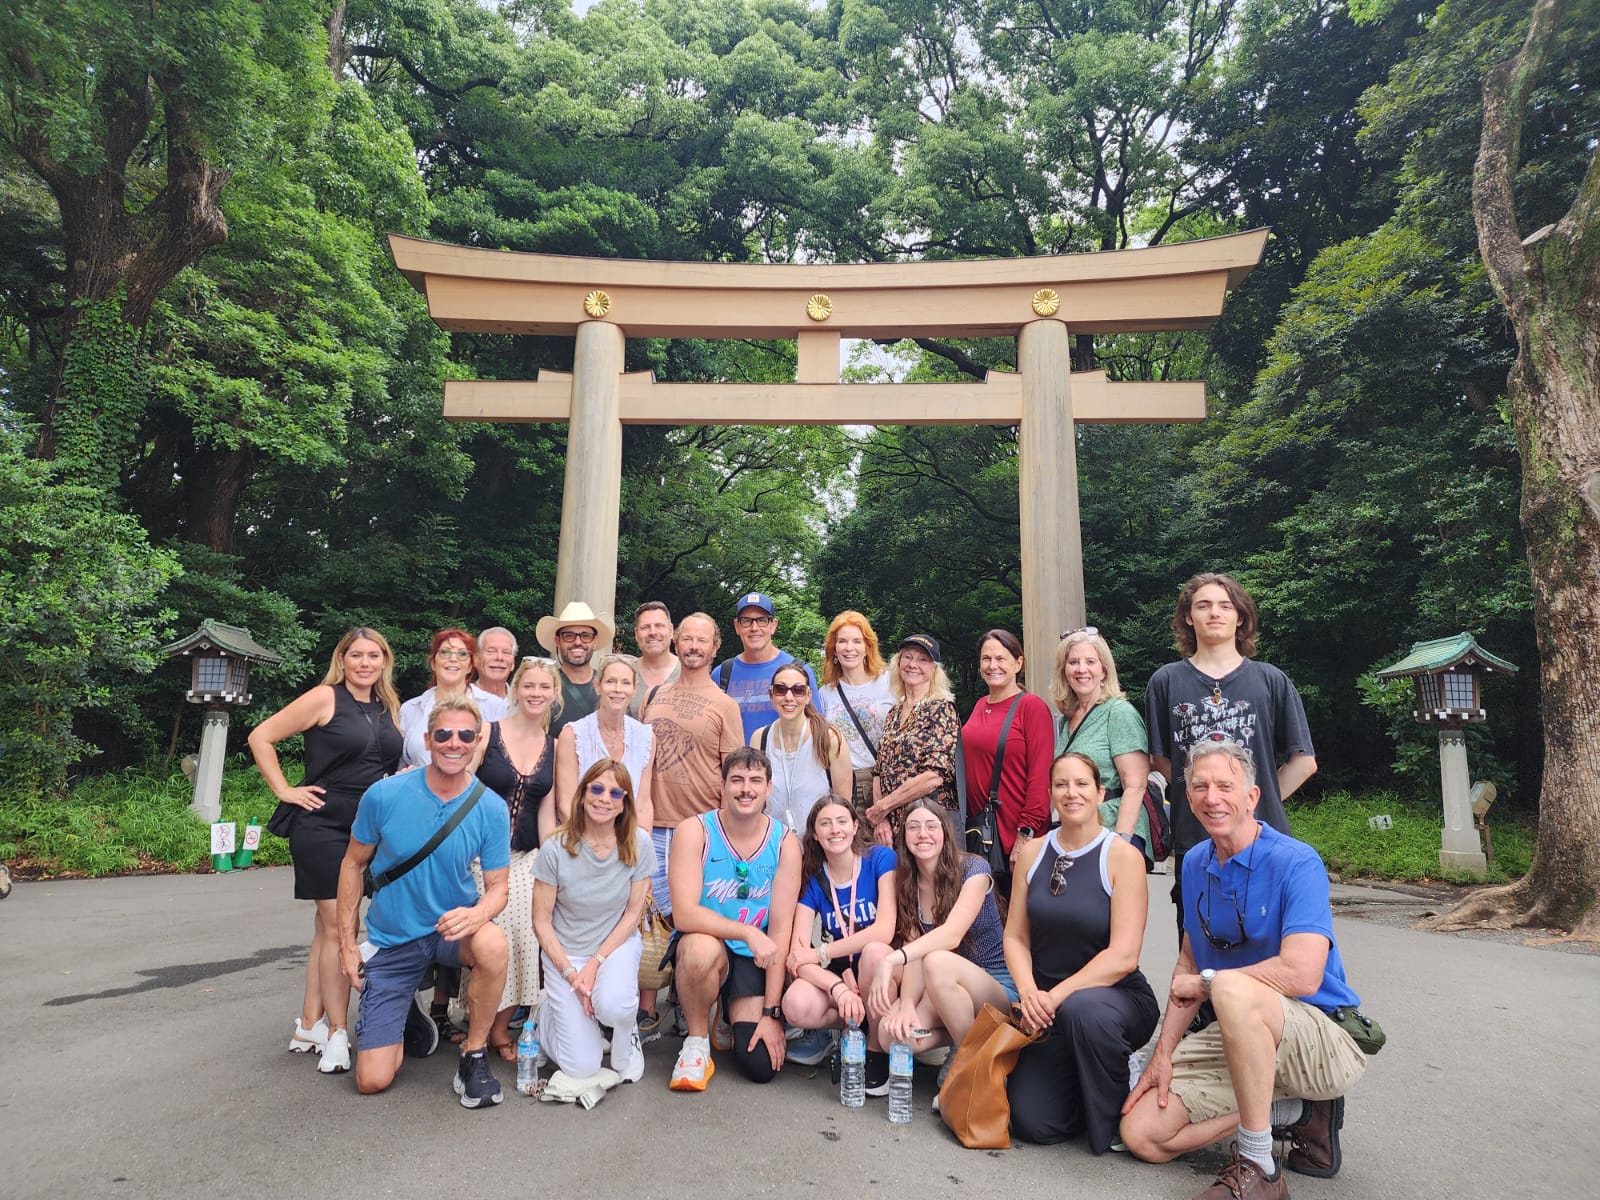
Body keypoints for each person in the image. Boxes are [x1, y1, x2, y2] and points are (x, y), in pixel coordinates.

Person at [1120, 740, 1369, 1199]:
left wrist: (1211, 983)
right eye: (1200, 787)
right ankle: (1293, 1112)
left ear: (1252, 797)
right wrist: (1162, 1055)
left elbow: (1303, 975)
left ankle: (1259, 1167)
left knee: (1231, 989)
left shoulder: (1296, 861)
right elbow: (1189, 963)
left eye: (1224, 786)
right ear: (1188, 798)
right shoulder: (1195, 863)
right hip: (1240, 1030)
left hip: (1320, 1036)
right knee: (1142, 1133)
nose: (1212, 797)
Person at [336, 696, 512, 1107]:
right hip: (395, 936)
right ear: (428, 740)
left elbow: (498, 886)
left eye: (465, 735)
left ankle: (473, 1055)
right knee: (373, 1080)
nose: (454, 743)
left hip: (451, 929)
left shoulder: (490, 807)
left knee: (494, 945)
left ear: (477, 741)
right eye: (444, 734)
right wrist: (346, 944)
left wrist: (477, 914)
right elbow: (352, 865)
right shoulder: (384, 795)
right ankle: (404, 1011)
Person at [248, 627, 404, 1075]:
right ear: (343, 659)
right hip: (322, 823)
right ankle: (338, 1031)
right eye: (356, 655)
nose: (365, 663)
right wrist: (285, 790)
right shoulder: (324, 698)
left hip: (368, 828)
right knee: (342, 926)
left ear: (384, 660)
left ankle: (308, 1025)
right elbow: (261, 736)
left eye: (373, 655)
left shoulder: (389, 705)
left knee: (326, 928)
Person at [1003, 751, 1159, 1153]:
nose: (1071, 793)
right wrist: (1029, 993)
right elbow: (1015, 937)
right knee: (1033, 1123)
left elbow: (1124, 955)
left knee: (1082, 1011)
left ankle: (1116, 1102)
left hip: (1113, 1000)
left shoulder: (1122, 856)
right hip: (1046, 1006)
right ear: (1051, 794)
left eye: (1081, 784)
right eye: (1061, 785)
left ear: (1100, 792)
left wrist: (1055, 996)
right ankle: (1081, 1078)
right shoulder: (1033, 853)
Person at [1146, 573, 1317, 936]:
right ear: (1188, 617)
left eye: (1226, 606)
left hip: (1263, 839)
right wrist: (1210, 803)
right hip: (1195, 841)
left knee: (1270, 942)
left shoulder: (1271, 680)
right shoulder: (1165, 682)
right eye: (1203, 605)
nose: (1215, 613)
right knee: (1198, 946)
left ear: (1240, 617)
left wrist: (1251, 800)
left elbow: (1303, 761)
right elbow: (1163, 761)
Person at [665, 747, 802, 1091]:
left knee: (760, 1066)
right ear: (723, 785)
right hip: (707, 941)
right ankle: (697, 1042)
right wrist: (746, 932)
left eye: (755, 781)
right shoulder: (695, 830)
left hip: (754, 956)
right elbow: (684, 914)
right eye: (737, 780)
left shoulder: (784, 842)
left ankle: (727, 1014)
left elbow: (780, 931)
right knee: (699, 951)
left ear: (768, 788)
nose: (746, 789)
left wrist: (771, 1013)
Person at [639, 612, 745, 1038]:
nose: (694, 646)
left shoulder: (725, 705)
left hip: (698, 828)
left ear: (715, 647)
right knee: (647, 918)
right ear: (676, 643)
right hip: (652, 822)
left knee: (694, 919)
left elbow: (733, 775)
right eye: (687, 639)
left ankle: (691, 1002)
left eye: (702, 640)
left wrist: (725, 833)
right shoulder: (654, 696)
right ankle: (646, 1007)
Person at [867, 799, 1015, 1100]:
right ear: (904, 836)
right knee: (890, 1035)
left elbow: (951, 935)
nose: (923, 834)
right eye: (913, 827)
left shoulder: (974, 869)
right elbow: (914, 950)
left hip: (994, 985)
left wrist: (890, 960)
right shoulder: (908, 882)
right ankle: (968, 1041)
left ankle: (971, 1068)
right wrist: (907, 1004)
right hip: (944, 987)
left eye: (931, 826)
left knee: (936, 960)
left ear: (945, 832)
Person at [531, 758, 655, 1083]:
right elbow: (541, 922)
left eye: (615, 793)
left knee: (615, 1005)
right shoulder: (555, 848)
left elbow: (633, 914)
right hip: (566, 954)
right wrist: (572, 974)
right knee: (582, 1067)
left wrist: (596, 962)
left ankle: (625, 1034)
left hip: (614, 947)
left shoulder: (639, 843)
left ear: (625, 802)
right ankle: (546, 1018)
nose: (604, 799)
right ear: (583, 794)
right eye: (597, 789)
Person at [469, 655, 560, 1060]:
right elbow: (462, 786)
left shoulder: (553, 746)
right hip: (479, 854)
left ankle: (500, 1027)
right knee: (496, 926)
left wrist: (552, 863)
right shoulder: (488, 733)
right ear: (516, 690)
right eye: (529, 686)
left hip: (525, 854)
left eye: (544, 687)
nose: (536, 693)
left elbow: (546, 810)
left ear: (554, 694)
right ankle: (480, 1020)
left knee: (526, 925)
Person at [781, 795, 898, 1083]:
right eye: (825, 824)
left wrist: (821, 952)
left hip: (885, 970)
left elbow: (884, 930)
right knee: (795, 1003)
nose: (835, 830)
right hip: (843, 975)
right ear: (815, 834)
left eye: (842, 821)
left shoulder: (881, 858)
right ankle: (851, 1027)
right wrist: (837, 989)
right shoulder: (813, 879)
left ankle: (876, 1048)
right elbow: (797, 957)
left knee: (874, 952)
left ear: (855, 827)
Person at [960, 629, 1054, 890]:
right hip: (981, 834)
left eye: (1001, 658)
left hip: (1015, 836)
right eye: (986, 659)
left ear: (1018, 663)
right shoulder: (980, 705)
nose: (993, 666)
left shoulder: (1031, 707)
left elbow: (1041, 776)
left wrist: (1026, 833)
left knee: (1018, 910)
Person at [1054, 628, 1155, 865]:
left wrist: (1121, 843)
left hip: (1114, 831)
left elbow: (1135, 786)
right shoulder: (1067, 720)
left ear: (1104, 670)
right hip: (1078, 831)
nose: (1081, 669)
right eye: (1073, 662)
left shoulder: (1119, 713)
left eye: (1090, 661)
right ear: (1064, 670)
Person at [866, 634, 960, 844]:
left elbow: (934, 777)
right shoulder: (893, 713)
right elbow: (879, 771)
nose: (912, 664)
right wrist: (881, 819)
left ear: (934, 669)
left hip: (927, 828)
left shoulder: (940, 709)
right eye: (907, 657)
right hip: (891, 829)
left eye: (923, 659)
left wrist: (883, 806)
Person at [555, 655, 655, 830]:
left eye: (625, 683)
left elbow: (643, 804)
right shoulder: (573, 736)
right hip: (580, 837)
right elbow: (566, 805)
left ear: (634, 688)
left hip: (628, 840)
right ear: (597, 686)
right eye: (610, 681)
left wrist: (639, 842)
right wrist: (595, 843)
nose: (618, 689)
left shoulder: (646, 738)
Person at [751, 662, 851, 832]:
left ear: (808, 695)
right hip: (774, 841)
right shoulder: (760, 738)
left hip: (818, 841)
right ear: (771, 695)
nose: (788, 697)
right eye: (781, 690)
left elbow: (844, 807)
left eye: (798, 690)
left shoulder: (829, 739)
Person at [816, 610, 896, 813]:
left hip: (886, 782)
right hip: (845, 785)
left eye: (857, 641)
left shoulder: (889, 682)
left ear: (868, 647)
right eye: (842, 641)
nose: (849, 648)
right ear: (834, 649)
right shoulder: (826, 693)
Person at [714, 591, 819, 741]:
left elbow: (817, 729)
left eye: (762, 620)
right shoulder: (721, 675)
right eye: (746, 621)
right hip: (735, 756)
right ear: (737, 626)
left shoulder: (799, 672)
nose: (754, 627)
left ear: (773, 625)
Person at [398, 628, 508, 770]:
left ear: (470, 666)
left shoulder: (495, 707)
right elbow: (402, 762)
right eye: (445, 652)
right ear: (433, 663)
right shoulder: (410, 709)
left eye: (462, 654)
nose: (453, 659)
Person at [535, 601, 613, 738]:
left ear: (595, 641)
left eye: (585, 636)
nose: (578, 642)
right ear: (558, 640)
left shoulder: (610, 687)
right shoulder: (544, 686)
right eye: (569, 636)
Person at [628, 601, 680, 718]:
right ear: (636, 634)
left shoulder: (688, 673)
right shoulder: (625, 674)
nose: (652, 632)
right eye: (645, 627)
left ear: (671, 631)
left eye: (659, 626)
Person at [476, 626, 519, 707]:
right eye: (491, 651)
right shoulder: (462, 700)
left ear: (513, 663)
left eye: (506, 652)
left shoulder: (521, 703)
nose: (499, 657)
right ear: (477, 659)